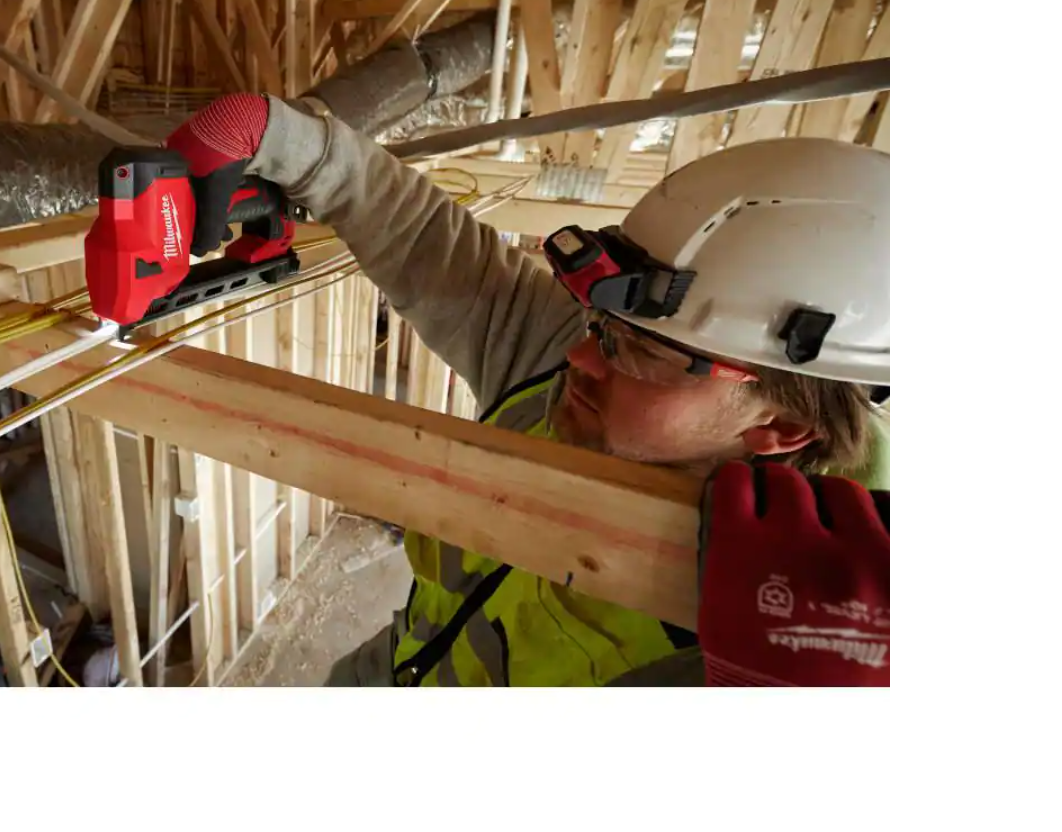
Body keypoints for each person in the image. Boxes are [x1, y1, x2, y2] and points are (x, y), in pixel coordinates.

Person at [166, 91, 890, 687]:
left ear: (783, 427)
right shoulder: (571, 372)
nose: (580, 355)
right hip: (400, 666)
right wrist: (277, 135)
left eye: (641, 351)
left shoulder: (809, 640)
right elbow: (425, 242)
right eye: (600, 324)